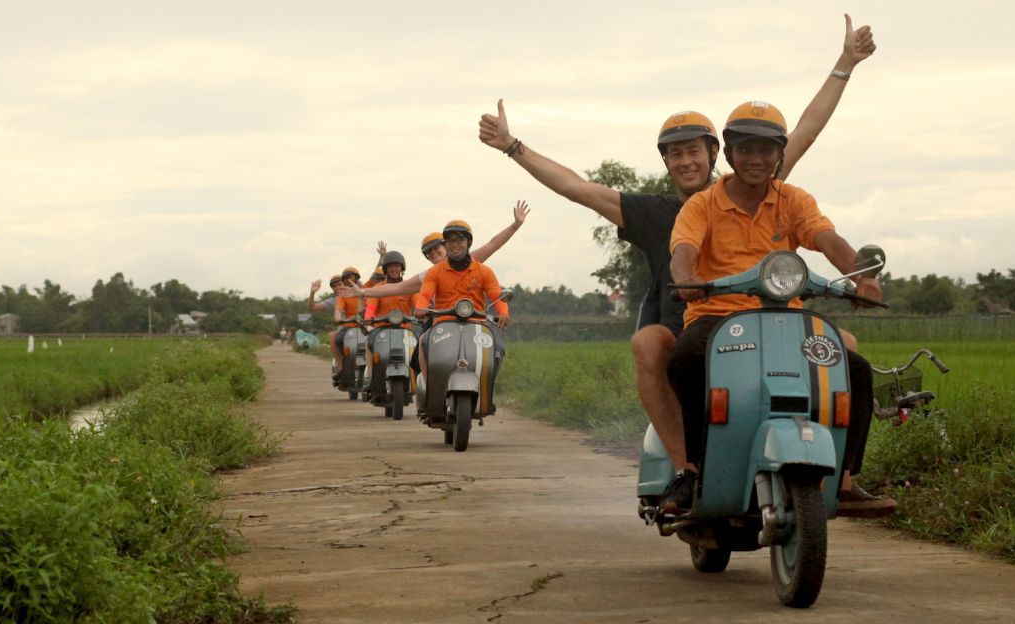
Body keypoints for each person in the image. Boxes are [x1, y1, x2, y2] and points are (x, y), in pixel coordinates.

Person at [478, 15, 875, 502]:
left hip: (771, 317)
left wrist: (845, 63)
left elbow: (806, 132)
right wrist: (513, 147)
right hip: (690, 320)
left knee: (848, 348)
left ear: (717, 154)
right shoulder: (657, 211)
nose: (686, 161)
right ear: (667, 162)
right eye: (676, 154)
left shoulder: (765, 181)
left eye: (695, 152)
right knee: (652, 344)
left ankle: (844, 474)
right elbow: (576, 188)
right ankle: (689, 467)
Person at [667, 100, 893, 517]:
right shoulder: (702, 205)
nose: (756, 159)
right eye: (746, 149)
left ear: (779, 154)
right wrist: (686, 280)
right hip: (716, 317)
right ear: (729, 153)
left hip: (784, 317)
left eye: (766, 150)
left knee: (855, 369)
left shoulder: (793, 200)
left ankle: (844, 480)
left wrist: (861, 277)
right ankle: (693, 471)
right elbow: (684, 249)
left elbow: (828, 239)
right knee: (684, 358)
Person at [341, 201, 530, 300]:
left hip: (474, 321)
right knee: (418, 353)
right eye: (428, 252)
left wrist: (515, 225)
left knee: (495, 349)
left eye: (436, 248)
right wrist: (363, 293)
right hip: (442, 324)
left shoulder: (472, 261)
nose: (433, 253)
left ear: (445, 246)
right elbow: (396, 288)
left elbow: (493, 244)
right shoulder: (430, 275)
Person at [413, 220, 510, 379]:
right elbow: (425, 294)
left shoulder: (484, 271)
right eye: (450, 241)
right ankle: (430, 385)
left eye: (460, 240)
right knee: (424, 341)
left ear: (468, 242)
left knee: (498, 347)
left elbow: (497, 295)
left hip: (477, 323)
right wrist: (421, 307)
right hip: (443, 323)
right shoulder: (435, 272)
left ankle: (486, 391)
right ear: (446, 244)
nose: (455, 245)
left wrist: (503, 312)